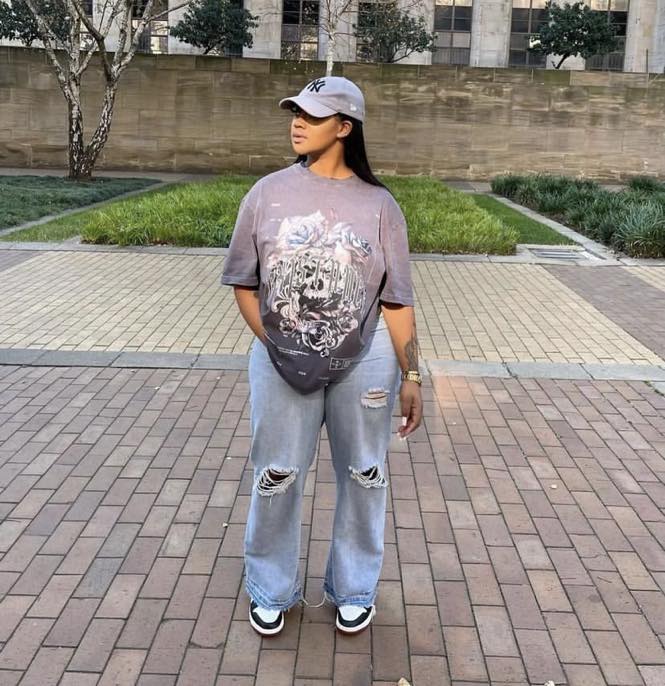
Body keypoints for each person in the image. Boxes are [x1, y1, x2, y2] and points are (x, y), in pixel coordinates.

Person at [221, 76, 423, 637]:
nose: (297, 122)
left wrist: (413, 374)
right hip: (278, 356)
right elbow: (243, 282)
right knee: (277, 474)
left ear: (344, 127)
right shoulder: (266, 194)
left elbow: (396, 299)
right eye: (295, 112)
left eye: (311, 115)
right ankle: (270, 587)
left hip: (368, 358)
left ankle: (354, 588)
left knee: (365, 474)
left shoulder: (380, 205)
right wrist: (276, 342)